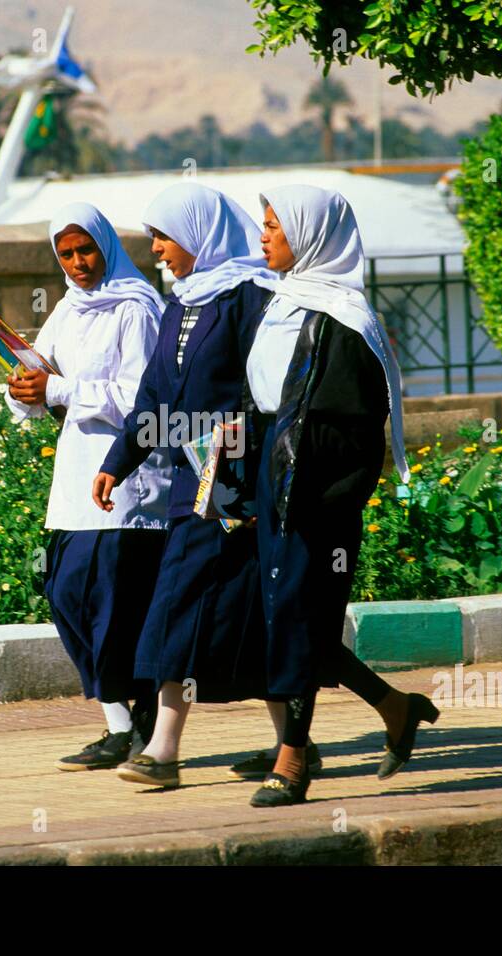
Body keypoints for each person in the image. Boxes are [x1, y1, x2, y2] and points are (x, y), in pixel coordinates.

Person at [93, 182, 319, 789]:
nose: (158, 250)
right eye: (152, 239)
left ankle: (162, 752)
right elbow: (153, 399)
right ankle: (293, 743)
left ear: (199, 234)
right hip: (185, 486)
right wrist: (121, 460)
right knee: (251, 614)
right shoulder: (181, 304)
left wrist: (233, 450)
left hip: (233, 485)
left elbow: (266, 392)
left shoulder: (252, 300)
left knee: (178, 600)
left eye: (165, 237)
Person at [244, 184, 439, 807]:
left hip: (318, 497)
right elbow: (268, 402)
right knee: (295, 623)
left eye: (276, 225)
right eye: (264, 225)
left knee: (301, 622)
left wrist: (326, 502)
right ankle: (397, 708)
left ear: (310, 233)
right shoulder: (281, 304)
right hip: (274, 487)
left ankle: (293, 759)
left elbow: (357, 433)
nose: (265, 236)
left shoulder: (347, 322)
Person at [6, 202, 171, 772]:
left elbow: (139, 398)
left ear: (106, 245)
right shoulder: (68, 311)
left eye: (86, 250)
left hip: (129, 486)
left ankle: (143, 725)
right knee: (67, 596)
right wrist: (25, 388)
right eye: (67, 254)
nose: (77, 263)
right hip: (77, 483)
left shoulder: (137, 307)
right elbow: (42, 380)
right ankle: (120, 726)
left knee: (114, 608)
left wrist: (59, 389)